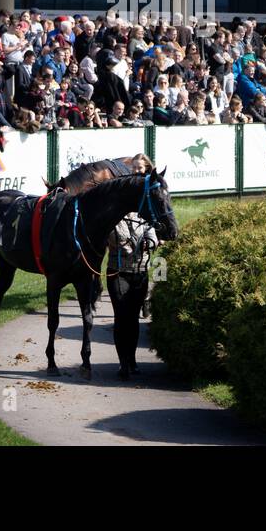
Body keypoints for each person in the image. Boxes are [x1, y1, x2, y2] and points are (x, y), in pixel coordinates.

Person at [105, 156, 159, 380]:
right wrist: (131, 243)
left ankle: (133, 360)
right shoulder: (113, 214)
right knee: (122, 316)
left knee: (134, 319)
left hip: (140, 271)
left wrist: (151, 241)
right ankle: (122, 363)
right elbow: (115, 239)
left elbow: (152, 234)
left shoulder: (144, 213)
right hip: (118, 272)